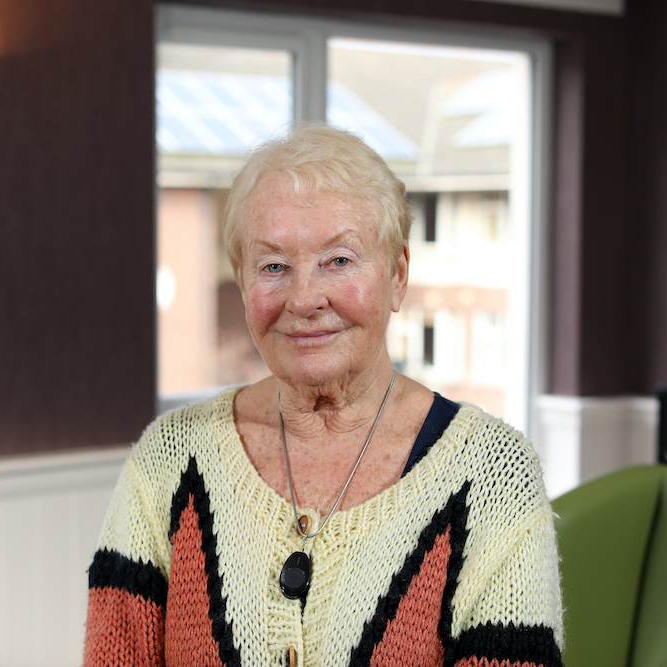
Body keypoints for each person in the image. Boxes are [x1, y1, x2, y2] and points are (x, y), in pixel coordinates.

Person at [84, 124, 564, 667]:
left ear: (398, 275)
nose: (305, 298)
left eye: (339, 260)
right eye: (273, 267)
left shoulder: (496, 475)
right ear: (243, 284)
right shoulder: (167, 461)